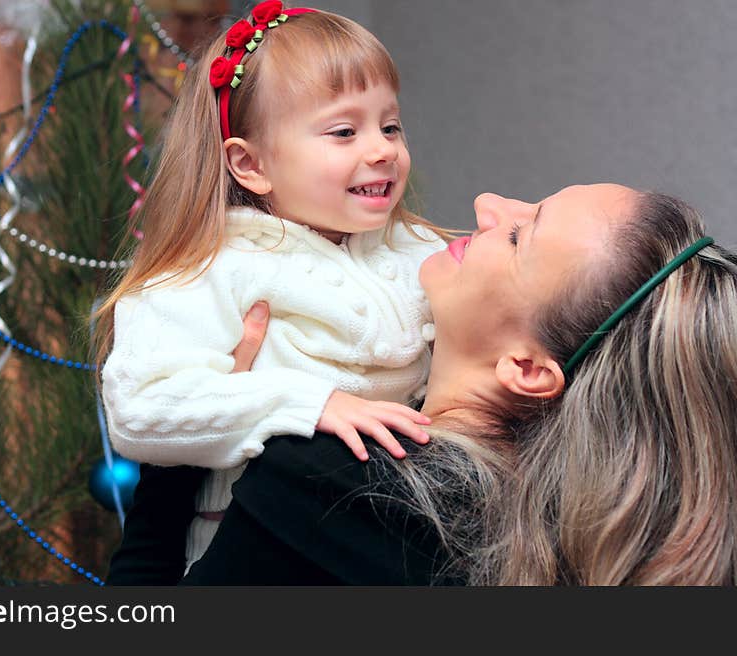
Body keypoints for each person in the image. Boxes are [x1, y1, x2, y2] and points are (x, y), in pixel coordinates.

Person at [109, 183, 737, 585]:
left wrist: (197, 432)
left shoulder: (338, 482)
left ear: (526, 369)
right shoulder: (551, 531)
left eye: (520, 235)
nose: (488, 204)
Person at [96, 2, 454, 574]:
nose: (383, 148)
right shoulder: (212, 267)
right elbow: (141, 407)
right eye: (344, 131)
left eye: (390, 125)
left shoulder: (418, 249)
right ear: (251, 164)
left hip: (395, 541)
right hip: (255, 553)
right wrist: (308, 404)